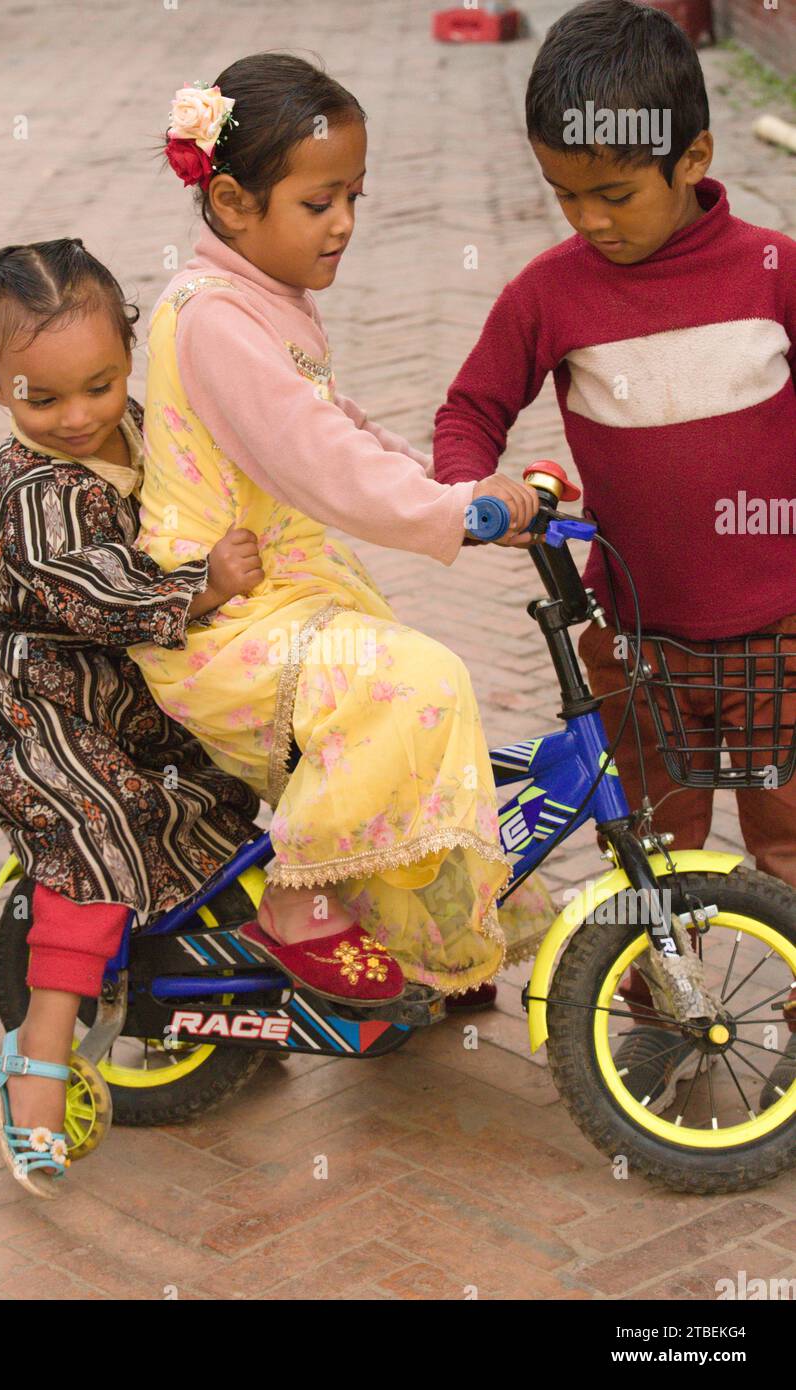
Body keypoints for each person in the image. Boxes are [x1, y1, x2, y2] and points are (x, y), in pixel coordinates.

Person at [130, 57, 556, 1011]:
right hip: (217, 617)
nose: (346, 222)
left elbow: (344, 423)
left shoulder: (267, 301)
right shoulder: (214, 321)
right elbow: (318, 458)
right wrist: (447, 515)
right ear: (233, 202)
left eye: (354, 197)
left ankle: (427, 945)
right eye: (319, 202)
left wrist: (453, 487)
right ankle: (296, 900)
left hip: (280, 590)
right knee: (418, 684)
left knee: (419, 699)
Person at [432, 0, 796, 1107]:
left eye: (613, 192)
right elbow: (469, 411)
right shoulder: (552, 293)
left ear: (695, 157)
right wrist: (481, 487)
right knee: (651, 855)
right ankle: (666, 1026)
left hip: (780, 637)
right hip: (634, 643)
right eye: (564, 195)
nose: (588, 219)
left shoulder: (774, 269)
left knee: (787, 845)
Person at [0, 238, 264, 1196]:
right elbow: (97, 592)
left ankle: (243, 992)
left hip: (117, 685)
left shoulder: (136, 425)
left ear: (130, 356)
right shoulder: (40, 494)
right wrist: (202, 587)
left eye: (97, 385)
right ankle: (36, 1057)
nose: (77, 417)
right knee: (95, 831)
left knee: (220, 789)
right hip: (35, 694)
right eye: (39, 400)